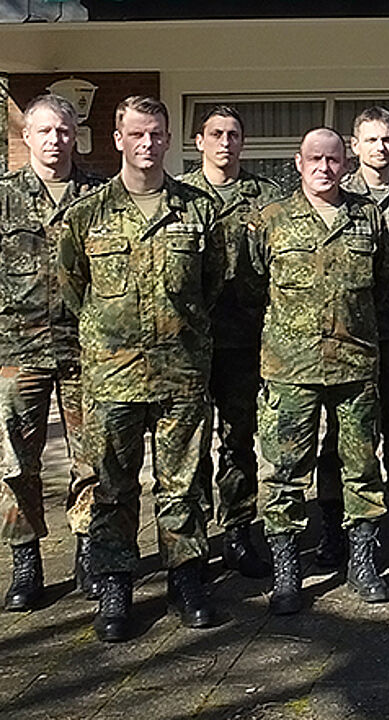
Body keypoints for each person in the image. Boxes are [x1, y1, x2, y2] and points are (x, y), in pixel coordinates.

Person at [60, 96, 226, 641]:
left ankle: (187, 578)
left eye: (156, 135)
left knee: (184, 483)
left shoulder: (197, 210)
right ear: (118, 138)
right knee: (112, 484)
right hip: (112, 374)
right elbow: (73, 285)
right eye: (137, 135)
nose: (148, 145)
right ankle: (114, 586)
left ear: (169, 138)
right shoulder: (88, 214)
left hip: (181, 372)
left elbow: (213, 283)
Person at [251, 128, 389, 615]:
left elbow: (387, 280)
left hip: (354, 366)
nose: (324, 167)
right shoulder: (270, 220)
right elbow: (252, 285)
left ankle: (362, 562)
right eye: (315, 158)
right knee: (286, 474)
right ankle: (288, 570)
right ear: (298, 161)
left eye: (333, 159)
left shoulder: (368, 218)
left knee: (361, 469)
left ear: (345, 162)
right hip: (292, 369)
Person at [0, 94, 104, 610]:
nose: (55, 140)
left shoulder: (98, 195)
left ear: (75, 135)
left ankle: (87, 549)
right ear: (27, 137)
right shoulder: (5, 198)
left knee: (92, 458)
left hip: (86, 347)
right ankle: (25, 560)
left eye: (63, 131)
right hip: (18, 349)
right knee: (17, 461)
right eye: (44, 131)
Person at [314, 107, 389, 562]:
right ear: (353, 146)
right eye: (371, 140)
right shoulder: (338, 195)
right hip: (350, 336)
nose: (381, 148)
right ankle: (334, 526)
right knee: (343, 434)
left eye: (388, 140)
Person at [180, 105, 283, 581]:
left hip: (245, 341)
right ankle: (194, 542)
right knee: (189, 446)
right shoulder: (179, 196)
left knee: (239, 439)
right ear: (199, 140)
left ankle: (240, 531)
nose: (225, 142)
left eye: (234, 134)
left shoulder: (265, 197)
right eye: (216, 134)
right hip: (189, 344)